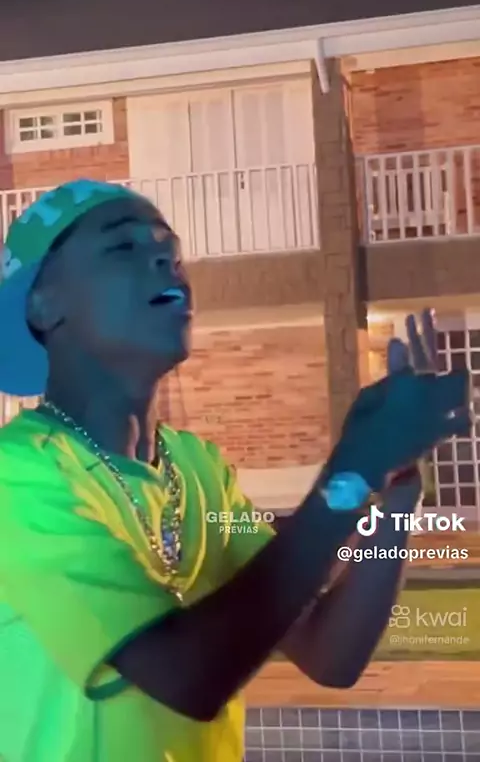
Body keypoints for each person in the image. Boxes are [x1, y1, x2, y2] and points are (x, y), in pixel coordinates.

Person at [0, 179, 469, 762]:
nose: (165, 261)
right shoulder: (18, 475)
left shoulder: (199, 470)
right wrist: (353, 469)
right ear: (44, 305)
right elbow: (187, 677)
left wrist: (395, 492)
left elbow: (330, 653)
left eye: (171, 251)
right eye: (123, 246)